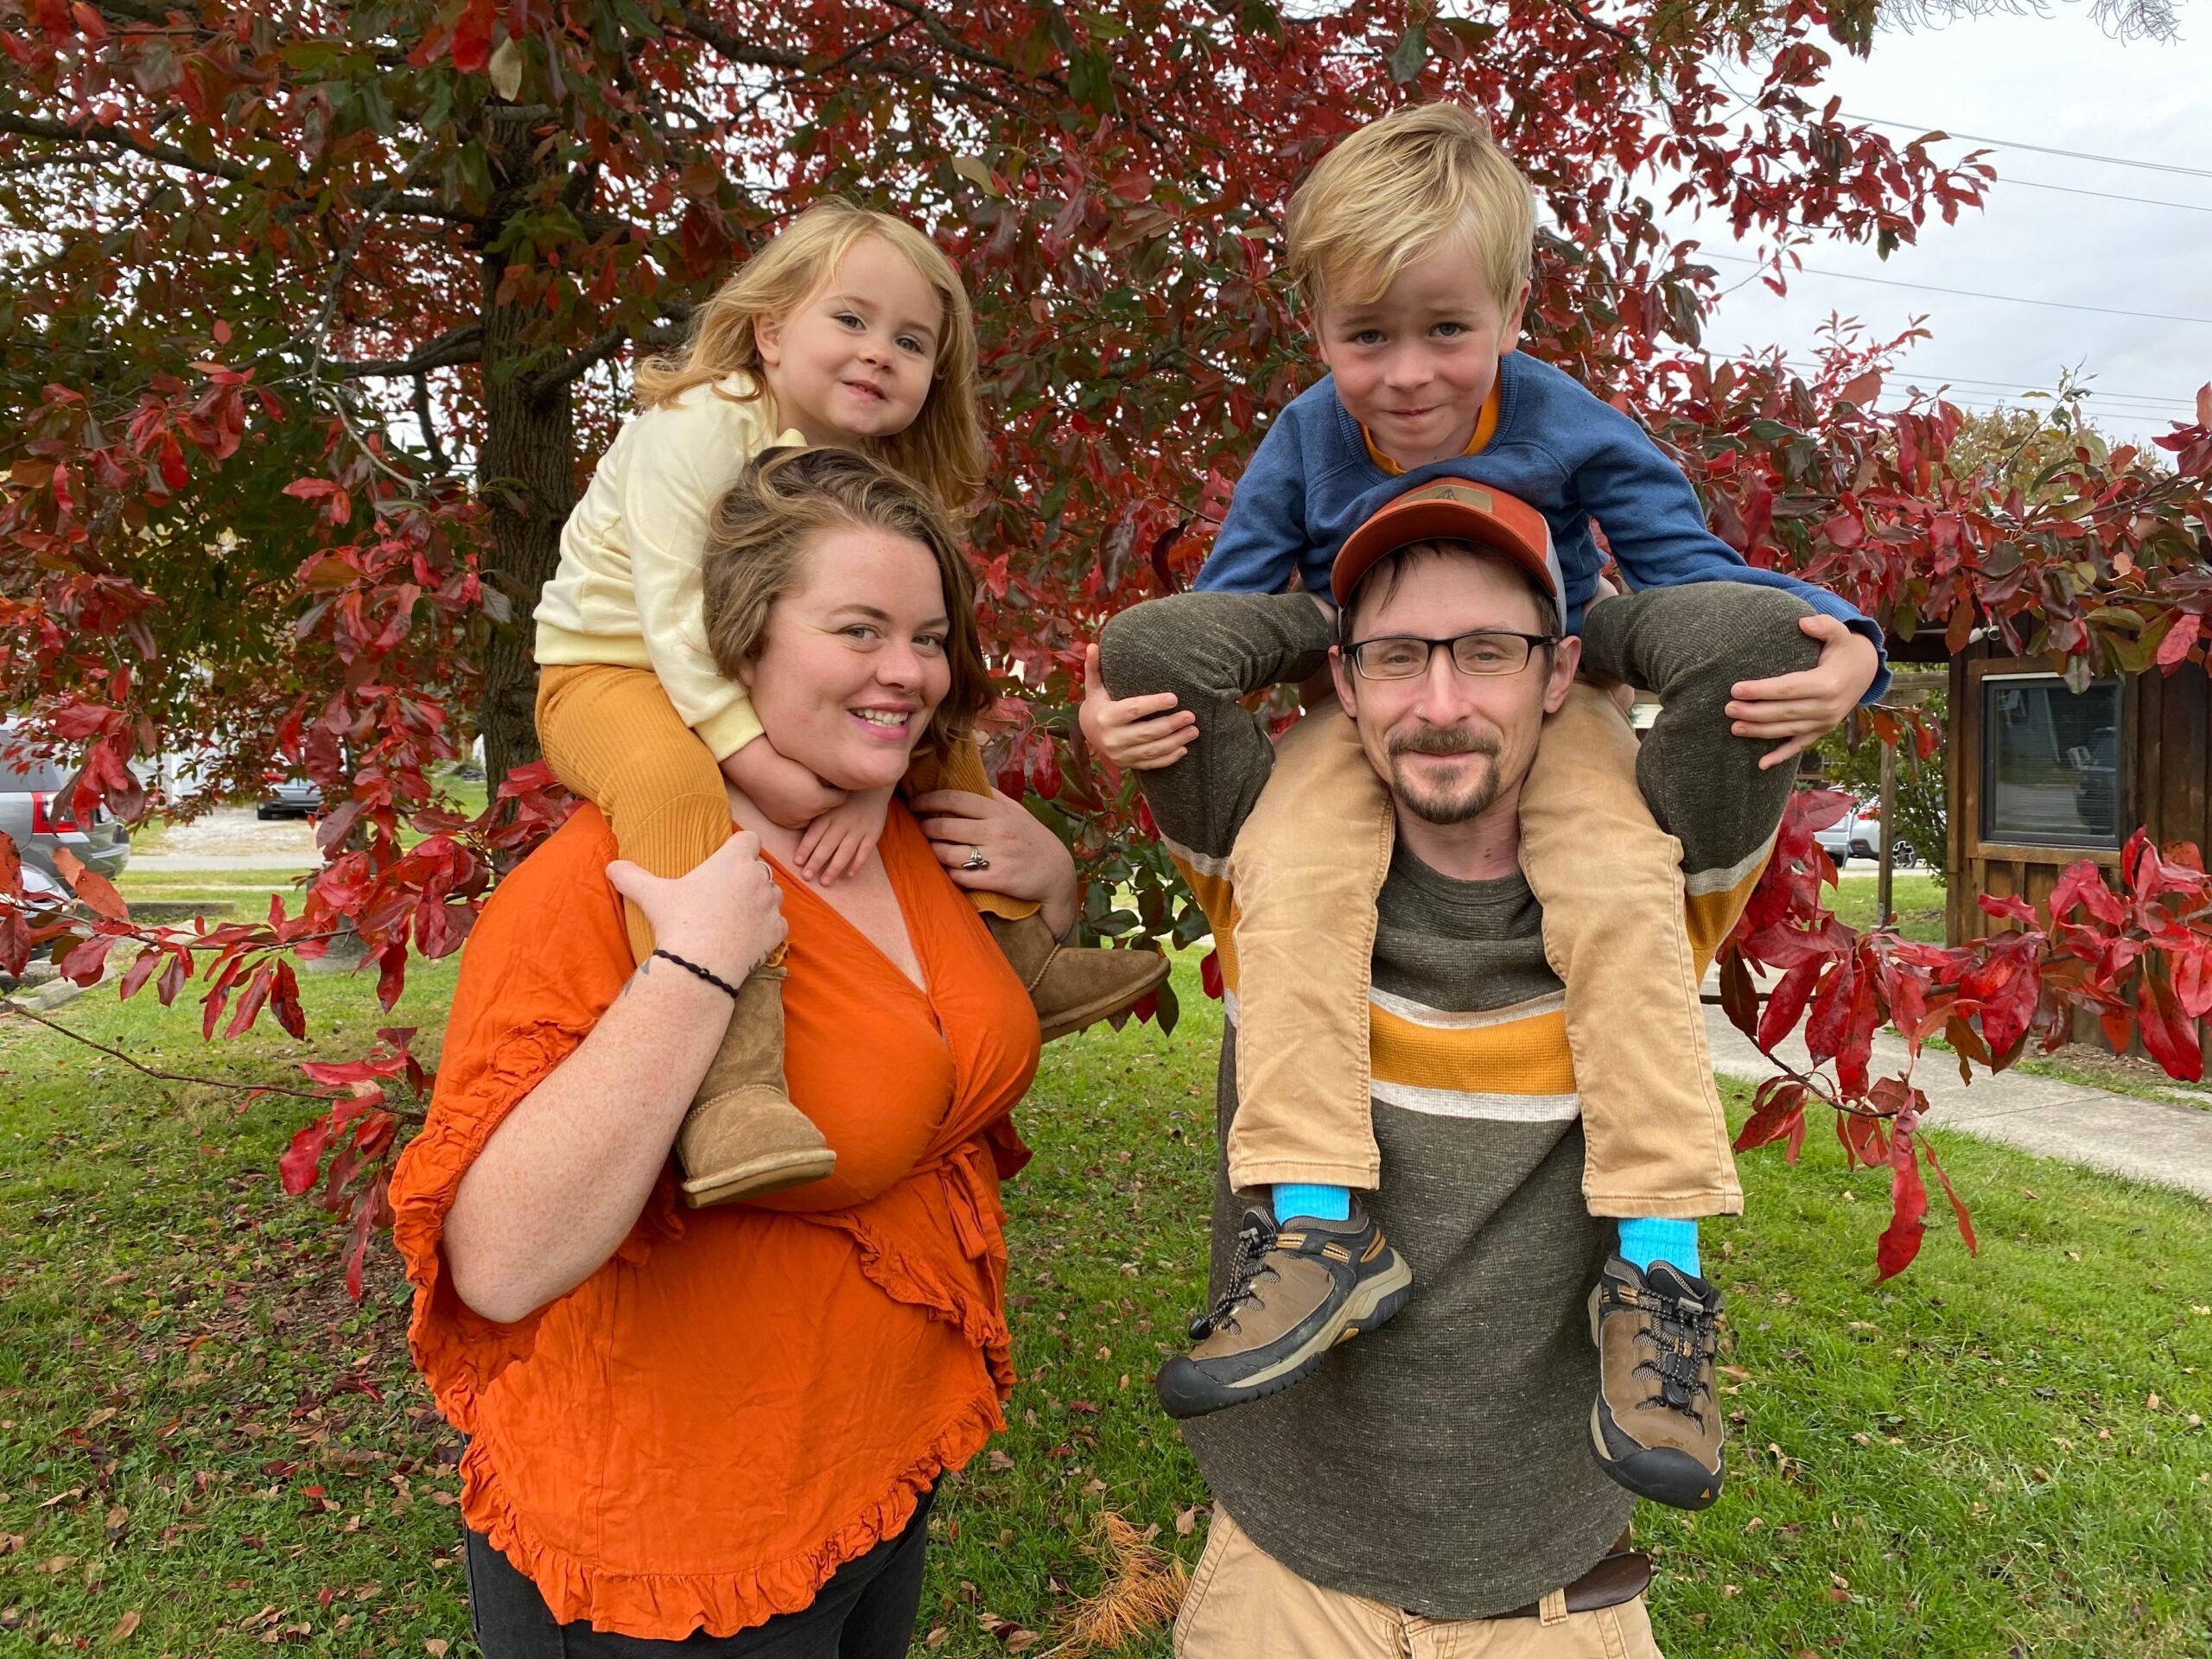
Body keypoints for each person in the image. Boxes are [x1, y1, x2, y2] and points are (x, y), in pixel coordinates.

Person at [1079, 103, 1883, 1491]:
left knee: (1622, 890)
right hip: (1362, 693)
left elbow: (1687, 566)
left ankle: (1658, 1266)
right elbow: (1237, 594)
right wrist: (1125, 689)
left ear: (1513, 309)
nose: (1404, 376)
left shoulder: (1569, 419)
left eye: (1446, 329)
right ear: (1320, 328)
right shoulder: (1307, 438)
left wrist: (1851, 643)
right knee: (1292, 876)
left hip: (1548, 691)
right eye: (1365, 335)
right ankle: (1322, 1220)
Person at [1097, 480, 1820, 1656]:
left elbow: (1748, 638)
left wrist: (1593, 634)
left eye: (1487, 653)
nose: (1440, 704)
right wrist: (1324, 628)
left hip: (1549, 1596)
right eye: (1394, 659)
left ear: (1557, 671)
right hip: (1288, 1581)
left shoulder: (1657, 874)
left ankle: (1661, 1271)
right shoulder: (1260, 858)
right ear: (1342, 683)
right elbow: (1158, 652)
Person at [389, 447, 1078, 1653]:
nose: (909, 672)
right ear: (739, 641)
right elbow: (495, 1263)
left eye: (929, 637)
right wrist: (697, 969)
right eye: (859, 629)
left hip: (869, 1483)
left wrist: (1054, 888)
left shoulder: (908, 827)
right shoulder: (603, 888)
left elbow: (944, 1039)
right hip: (679, 1554)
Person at [533, 198, 1165, 1208]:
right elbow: (675, 618)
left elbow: (905, 665)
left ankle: (1015, 952)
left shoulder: (862, 479)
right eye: (852, 321)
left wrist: (874, 786)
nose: (880, 353)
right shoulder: (699, 425)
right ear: (771, 330)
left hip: (736, 673)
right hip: (615, 667)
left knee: (936, 708)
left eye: (911, 341)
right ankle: (730, 1084)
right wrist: (762, 764)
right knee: (666, 783)